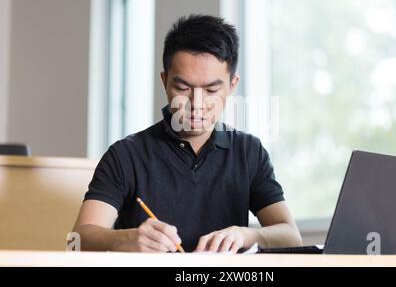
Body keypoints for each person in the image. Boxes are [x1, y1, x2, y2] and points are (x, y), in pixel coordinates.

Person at [72, 14, 302, 253]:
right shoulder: (126, 155)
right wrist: (125, 239)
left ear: (232, 85)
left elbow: (290, 235)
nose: (197, 103)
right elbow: (76, 241)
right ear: (165, 81)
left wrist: (246, 235)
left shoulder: (249, 152)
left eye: (212, 89)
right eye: (183, 88)